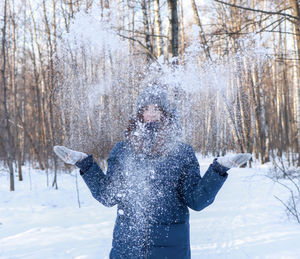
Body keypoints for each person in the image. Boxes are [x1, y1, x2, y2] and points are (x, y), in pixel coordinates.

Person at [54, 84, 251, 259]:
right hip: (127, 250)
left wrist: (219, 168)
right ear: (138, 114)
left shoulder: (181, 152)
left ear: (166, 113)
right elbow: (108, 196)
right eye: (145, 109)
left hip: (170, 252)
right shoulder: (123, 151)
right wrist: (85, 165)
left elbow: (197, 200)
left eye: (156, 109)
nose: (151, 114)